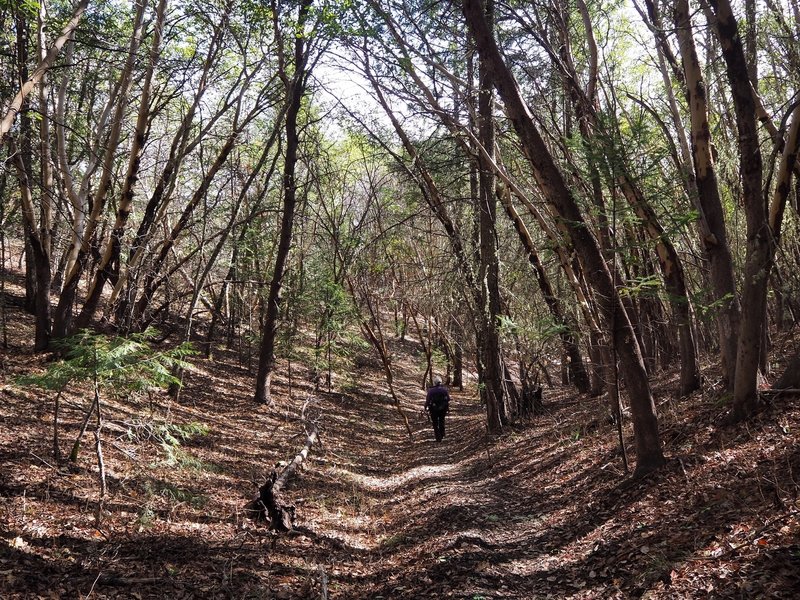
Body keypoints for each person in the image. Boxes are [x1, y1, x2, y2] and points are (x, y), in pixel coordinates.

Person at [424, 375, 450, 442]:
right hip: (443, 408)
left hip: (433, 409)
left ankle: (438, 437)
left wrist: (425, 407)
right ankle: (442, 434)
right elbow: (448, 399)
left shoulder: (431, 391)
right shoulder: (444, 390)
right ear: (440, 382)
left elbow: (428, 400)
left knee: (435, 423)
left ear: (434, 383)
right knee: (442, 420)